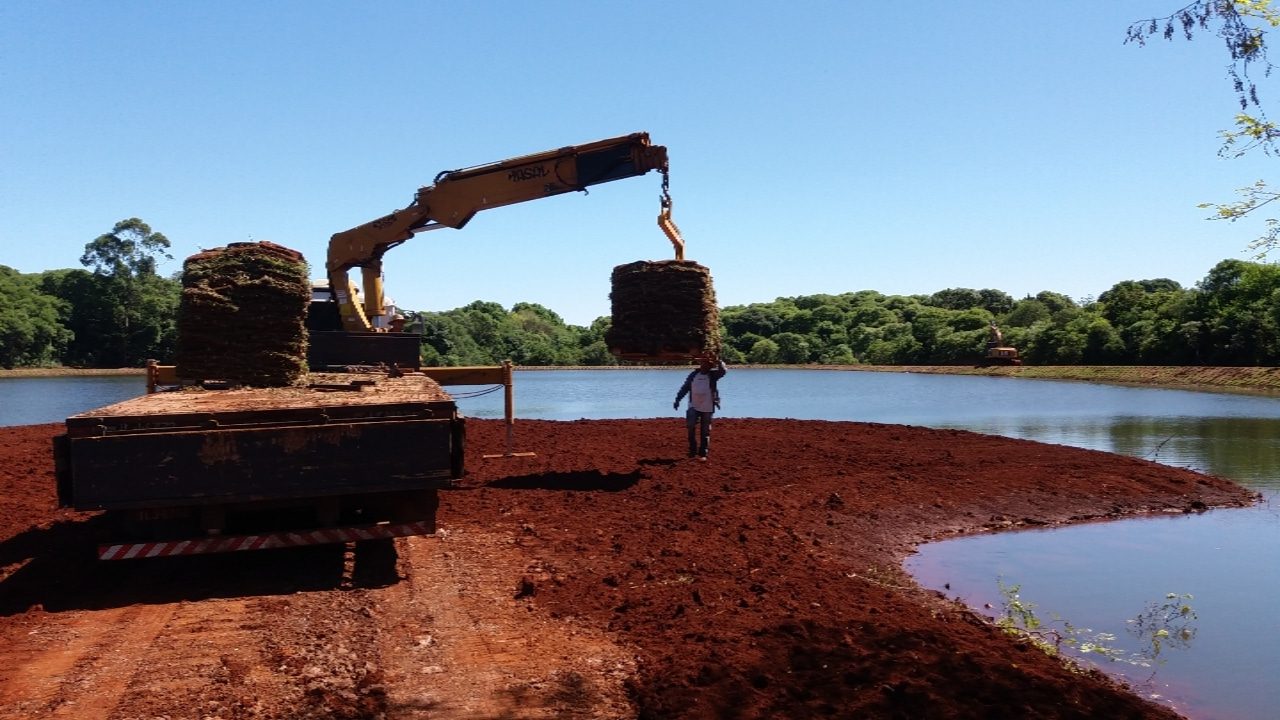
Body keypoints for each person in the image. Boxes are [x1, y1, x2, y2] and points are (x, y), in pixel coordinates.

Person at [673, 353, 728, 461]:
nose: (704, 365)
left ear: (710, 366)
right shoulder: (693, 375)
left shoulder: (713, 375)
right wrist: (677, 400)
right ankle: (692, 450)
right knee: (691, 426)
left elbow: (724, 371)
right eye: (702, 363)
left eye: (707, 364)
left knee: (705, 430)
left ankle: (703, 452)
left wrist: (719, 361)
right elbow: (685, 388)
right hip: (693, 405)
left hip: (708, 406)